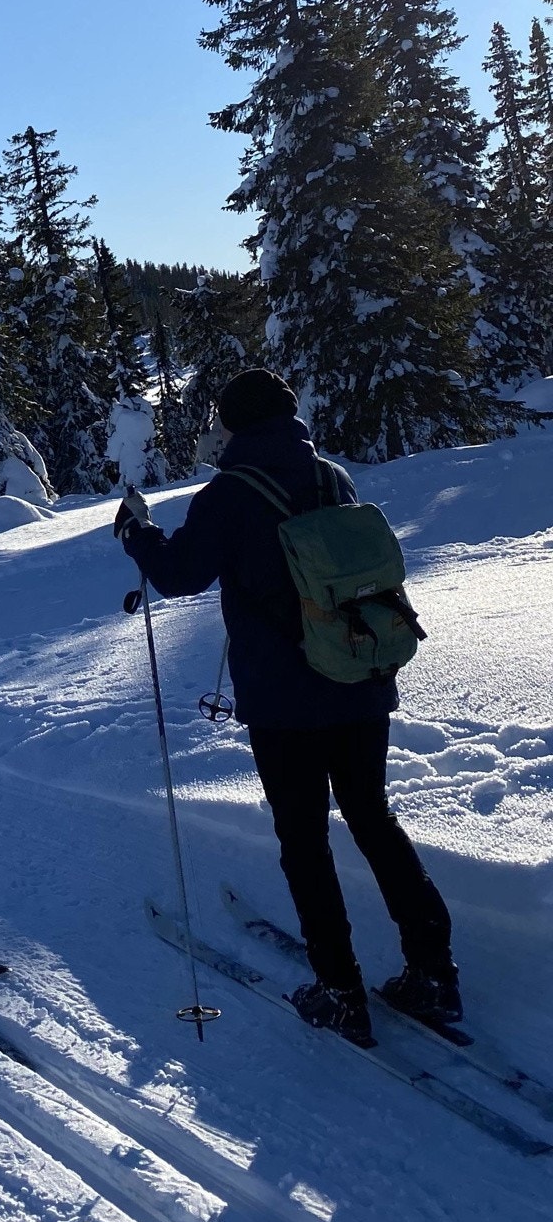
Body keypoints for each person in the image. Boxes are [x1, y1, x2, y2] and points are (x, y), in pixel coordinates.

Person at [115, 367, 458, 1045]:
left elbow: (182, 573)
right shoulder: (335, 477)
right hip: (360, 677)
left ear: (234, 424)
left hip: (284, 699)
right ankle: (434, 972)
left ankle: (340, 990)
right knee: (372, 818)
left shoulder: (230, 493)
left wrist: (137, 534)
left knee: (304, 839)